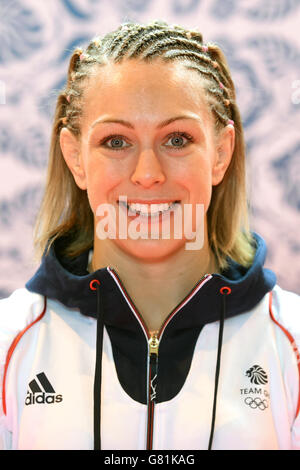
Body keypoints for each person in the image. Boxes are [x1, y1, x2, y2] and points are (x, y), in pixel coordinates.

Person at [0, 19, 299, 451]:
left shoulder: (291, 342)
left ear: (220, 153)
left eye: (177, 139)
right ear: (75, 157)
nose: (147, 175)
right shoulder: (10, 342)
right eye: (116, 142)